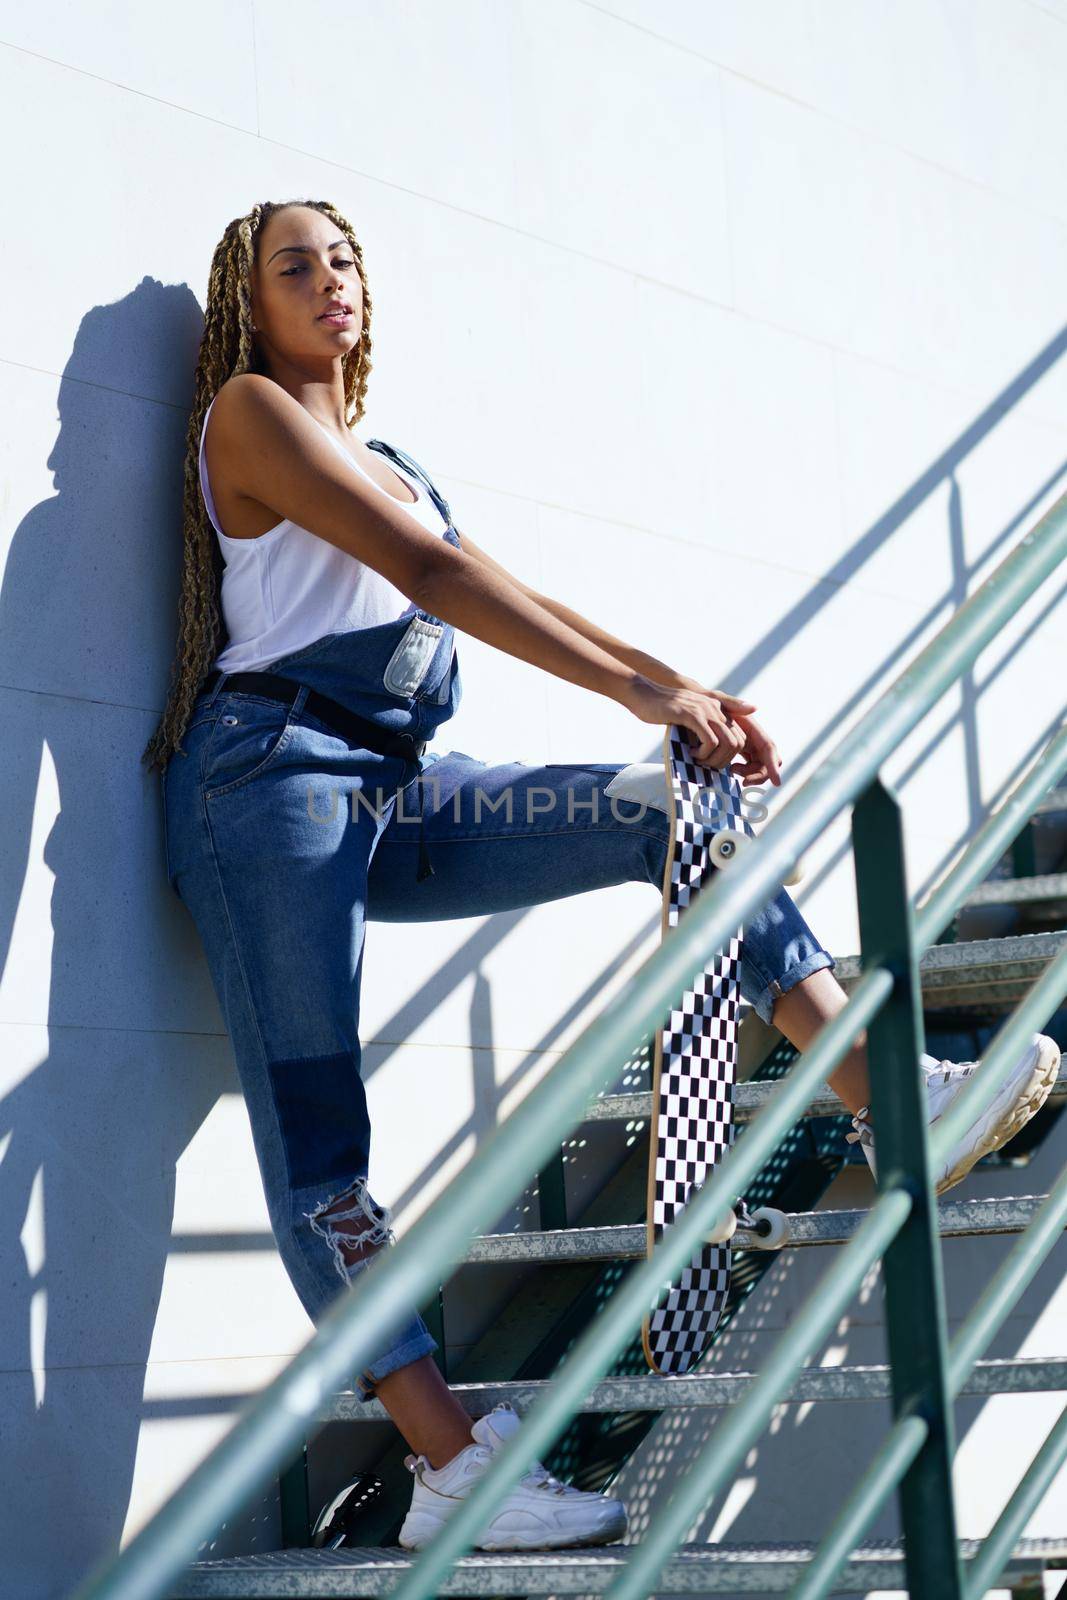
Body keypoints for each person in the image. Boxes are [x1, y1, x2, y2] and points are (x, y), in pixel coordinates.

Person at [143, 198, 1060, 1554]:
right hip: (265, 789)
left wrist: (667, 686)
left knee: (658, 814)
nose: (329, 282)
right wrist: (639, 686)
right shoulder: (249, 413)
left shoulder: (385, 451)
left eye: (343, 259)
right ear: (249, 300)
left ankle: (888, 1093)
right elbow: (430, 574)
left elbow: (490, 574)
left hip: (390, 788)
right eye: (297, 267)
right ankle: (451, 1469)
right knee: (323, 1153)